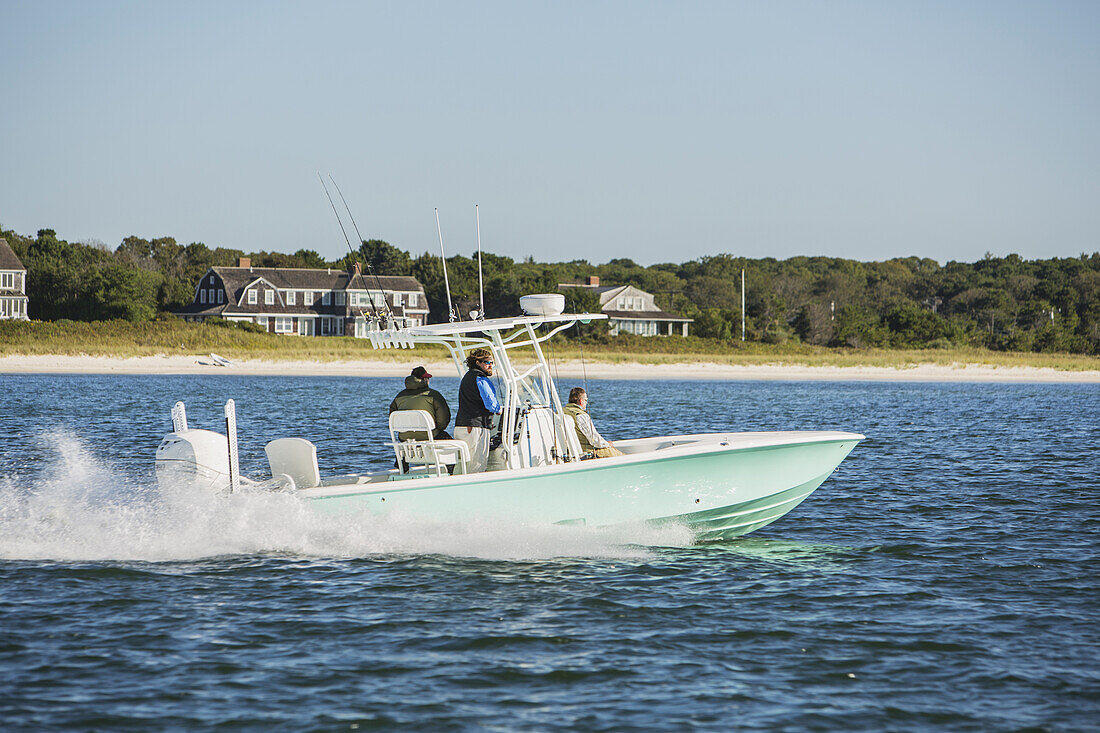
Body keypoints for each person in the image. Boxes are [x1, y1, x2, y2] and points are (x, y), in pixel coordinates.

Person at [454, 348, 502, 472]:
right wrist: (499, 409)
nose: (490, 365)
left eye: (492, 362)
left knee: (461, 465)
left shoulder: (467, 377)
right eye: (487, 362)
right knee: (477, 465)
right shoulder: (480, 379)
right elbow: (491, 404)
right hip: (475, 428)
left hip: (460, 426)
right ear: (478, 363)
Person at [389, 366, 451, 440]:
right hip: (430, 436)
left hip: (405, 438)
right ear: (424, 379)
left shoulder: (399, 396)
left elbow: (393, 419)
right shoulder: (433, 395)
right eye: (427, 378)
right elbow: (443, 421)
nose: (428, 381)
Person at [563, 387, 623, 459]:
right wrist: (607, 444)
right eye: (586, 400)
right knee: (622, 456)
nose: (586, 403)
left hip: (570, 453)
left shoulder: (561, 412)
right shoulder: (581, 415)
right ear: (581, 401)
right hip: (588, 453)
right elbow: (594, 440)